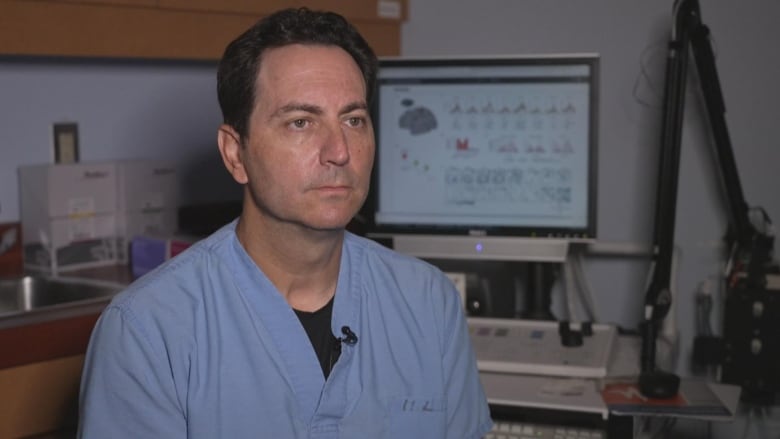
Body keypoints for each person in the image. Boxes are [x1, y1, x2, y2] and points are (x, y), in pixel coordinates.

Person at [78, 7, 492, 438]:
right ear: (235, 153)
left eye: (353, 120)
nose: (339, 151)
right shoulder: (148, 332)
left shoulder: (428, 302)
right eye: (300, 123)